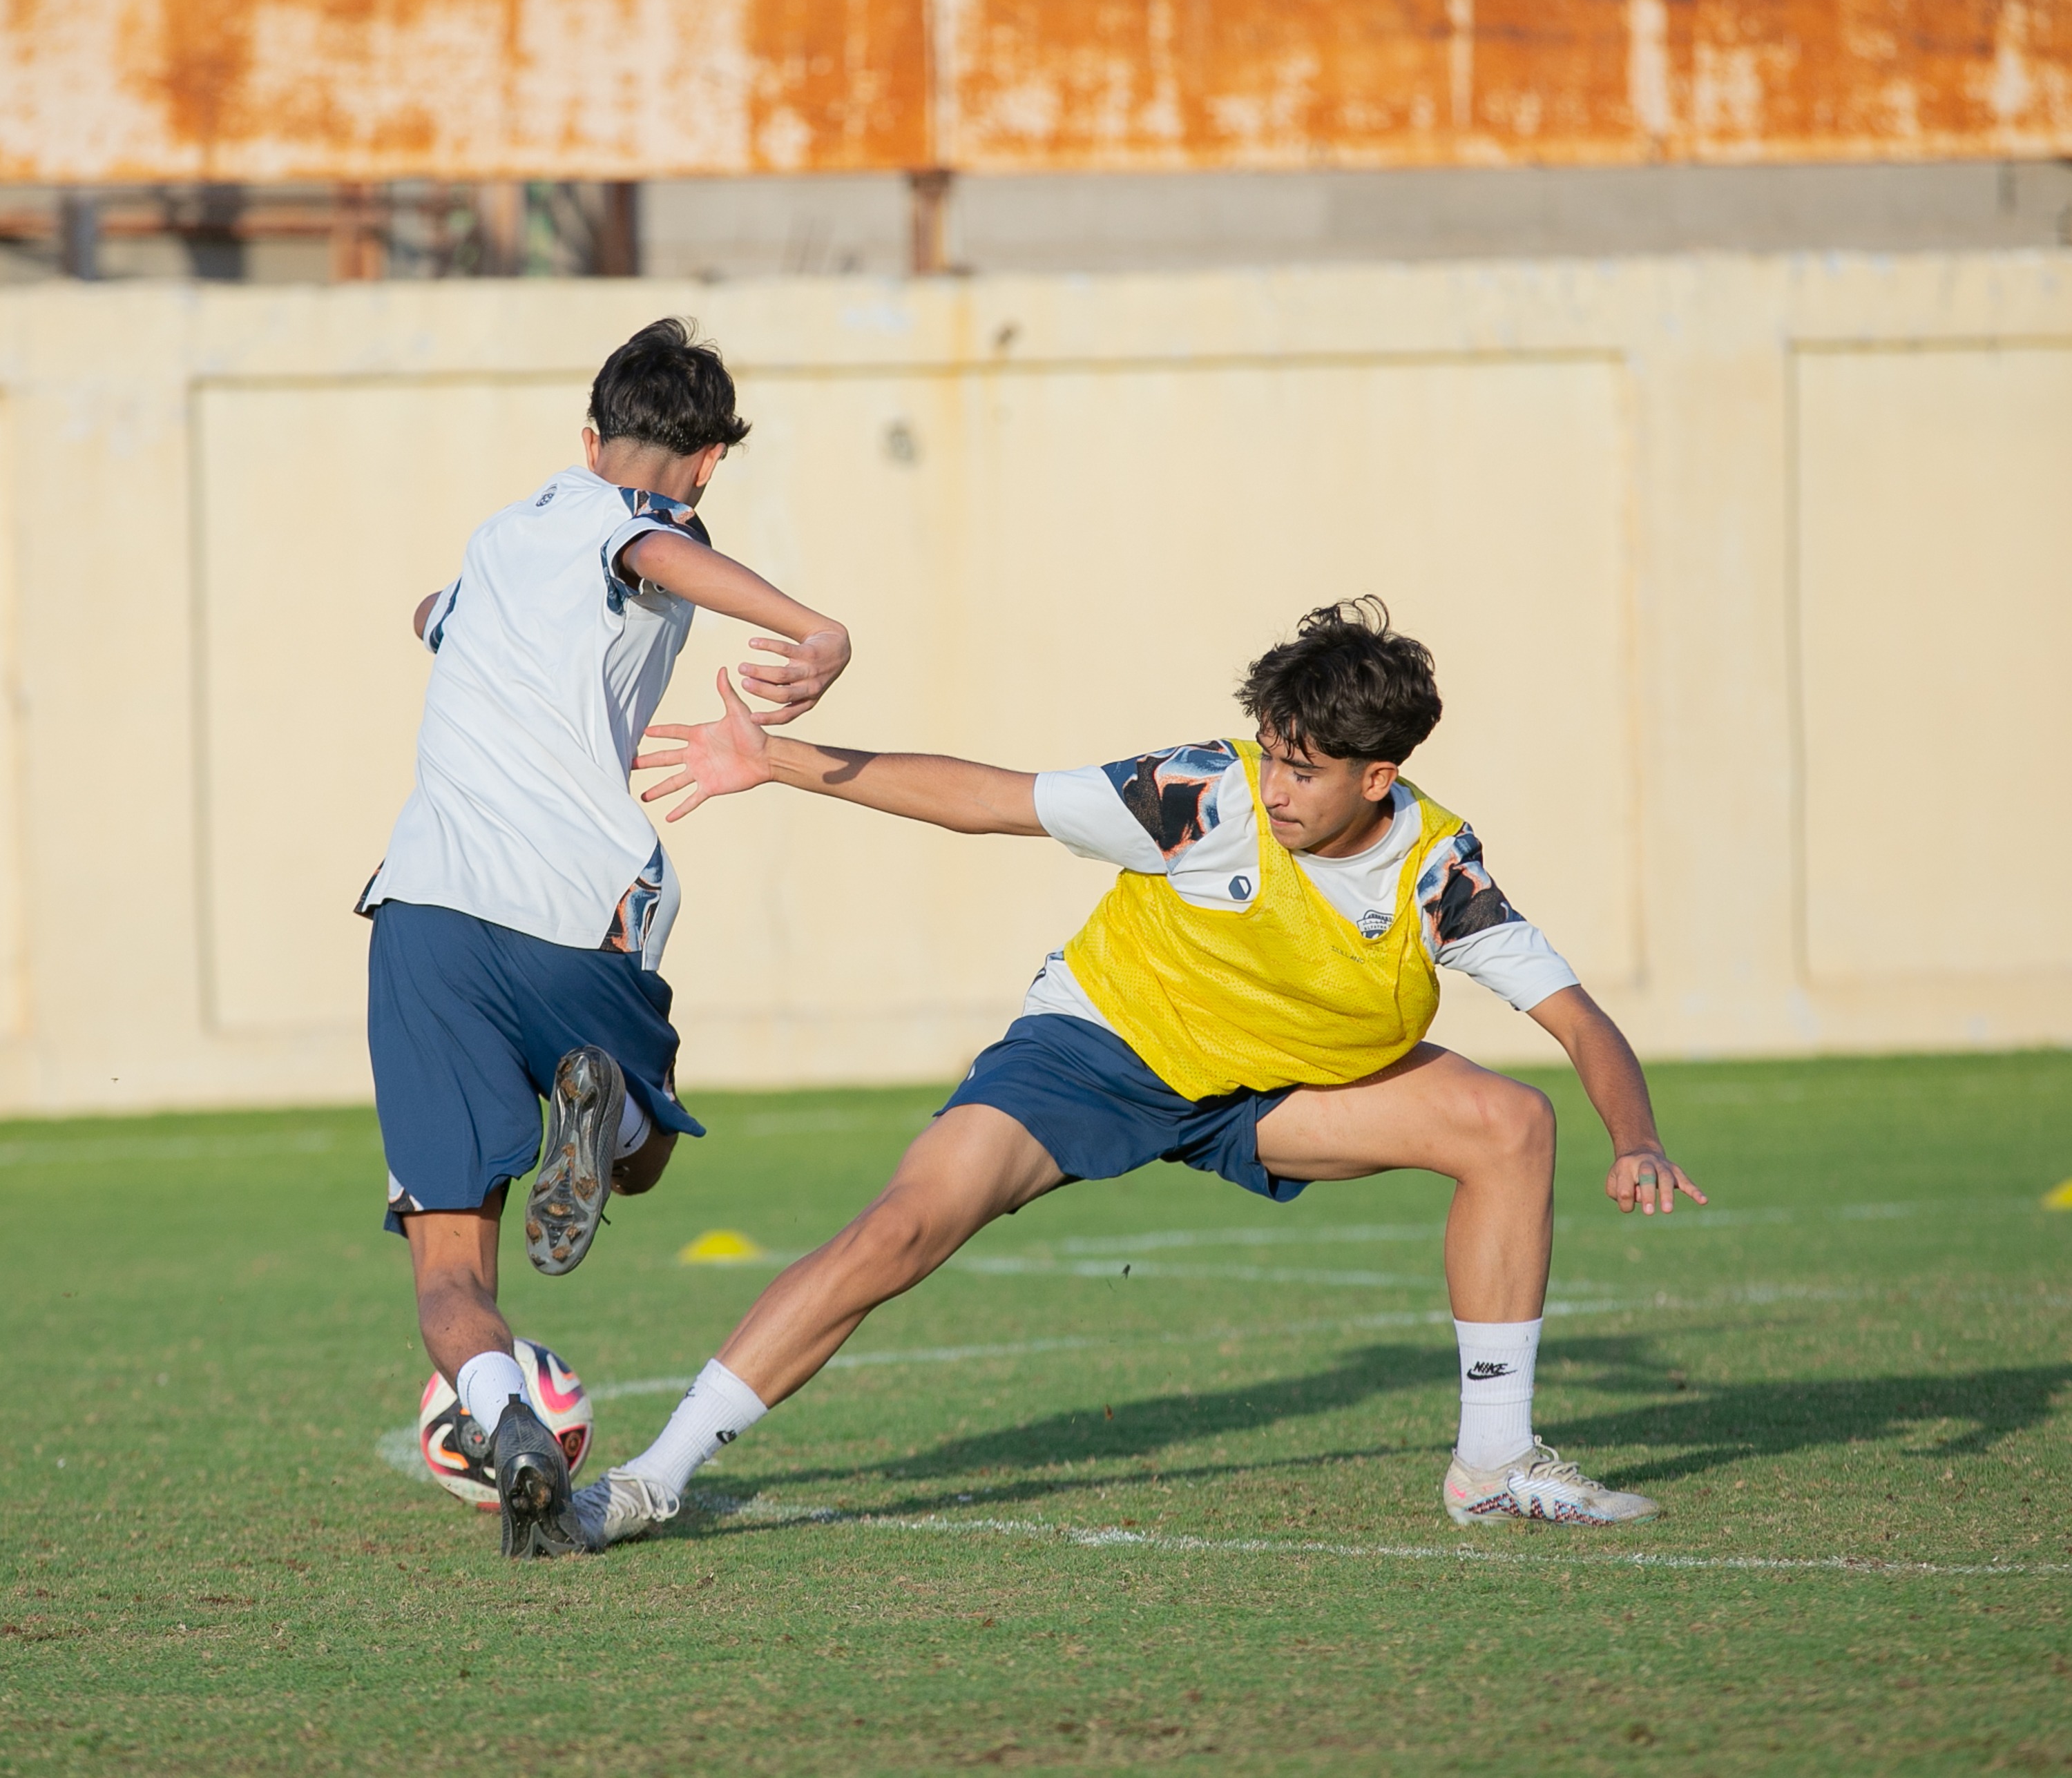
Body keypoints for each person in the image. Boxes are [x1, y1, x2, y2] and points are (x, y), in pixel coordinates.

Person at [566, 598, 1705, 1554]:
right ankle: (652, 1480)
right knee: (901, 1231)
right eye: (1269, 753)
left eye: (1304, 772)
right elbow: (990, 798)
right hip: (1099, 1051)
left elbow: (1578, 1017)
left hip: (1270, 1091)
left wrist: (1638, 1135)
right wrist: (776, 760)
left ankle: (1495, 1462)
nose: (1274, 788)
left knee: (1510, 1124)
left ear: (1380, 776)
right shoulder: (1203, 794)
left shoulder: (1437, 870)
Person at [359, 318, 852, 1557]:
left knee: (448, 1272)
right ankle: (612, 1114)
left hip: (423, 916)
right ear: (710, 463)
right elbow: (650, 543)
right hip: (575, 907)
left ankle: (501, 1417)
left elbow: (432, 609)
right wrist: (814, 628)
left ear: (586, 437)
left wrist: (463, 625)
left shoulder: (501, 539)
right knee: (641, 1163)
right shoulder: (648, 520)